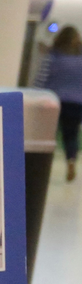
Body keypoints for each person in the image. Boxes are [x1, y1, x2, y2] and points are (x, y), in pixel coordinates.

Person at [36, 24, 82, 181]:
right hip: (76, 104)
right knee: (71, 135)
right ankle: (71, 160)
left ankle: (43, 167)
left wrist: (35, 96)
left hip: (52, 102)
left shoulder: (53, 57)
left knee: (48, 136)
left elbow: (41, 80)